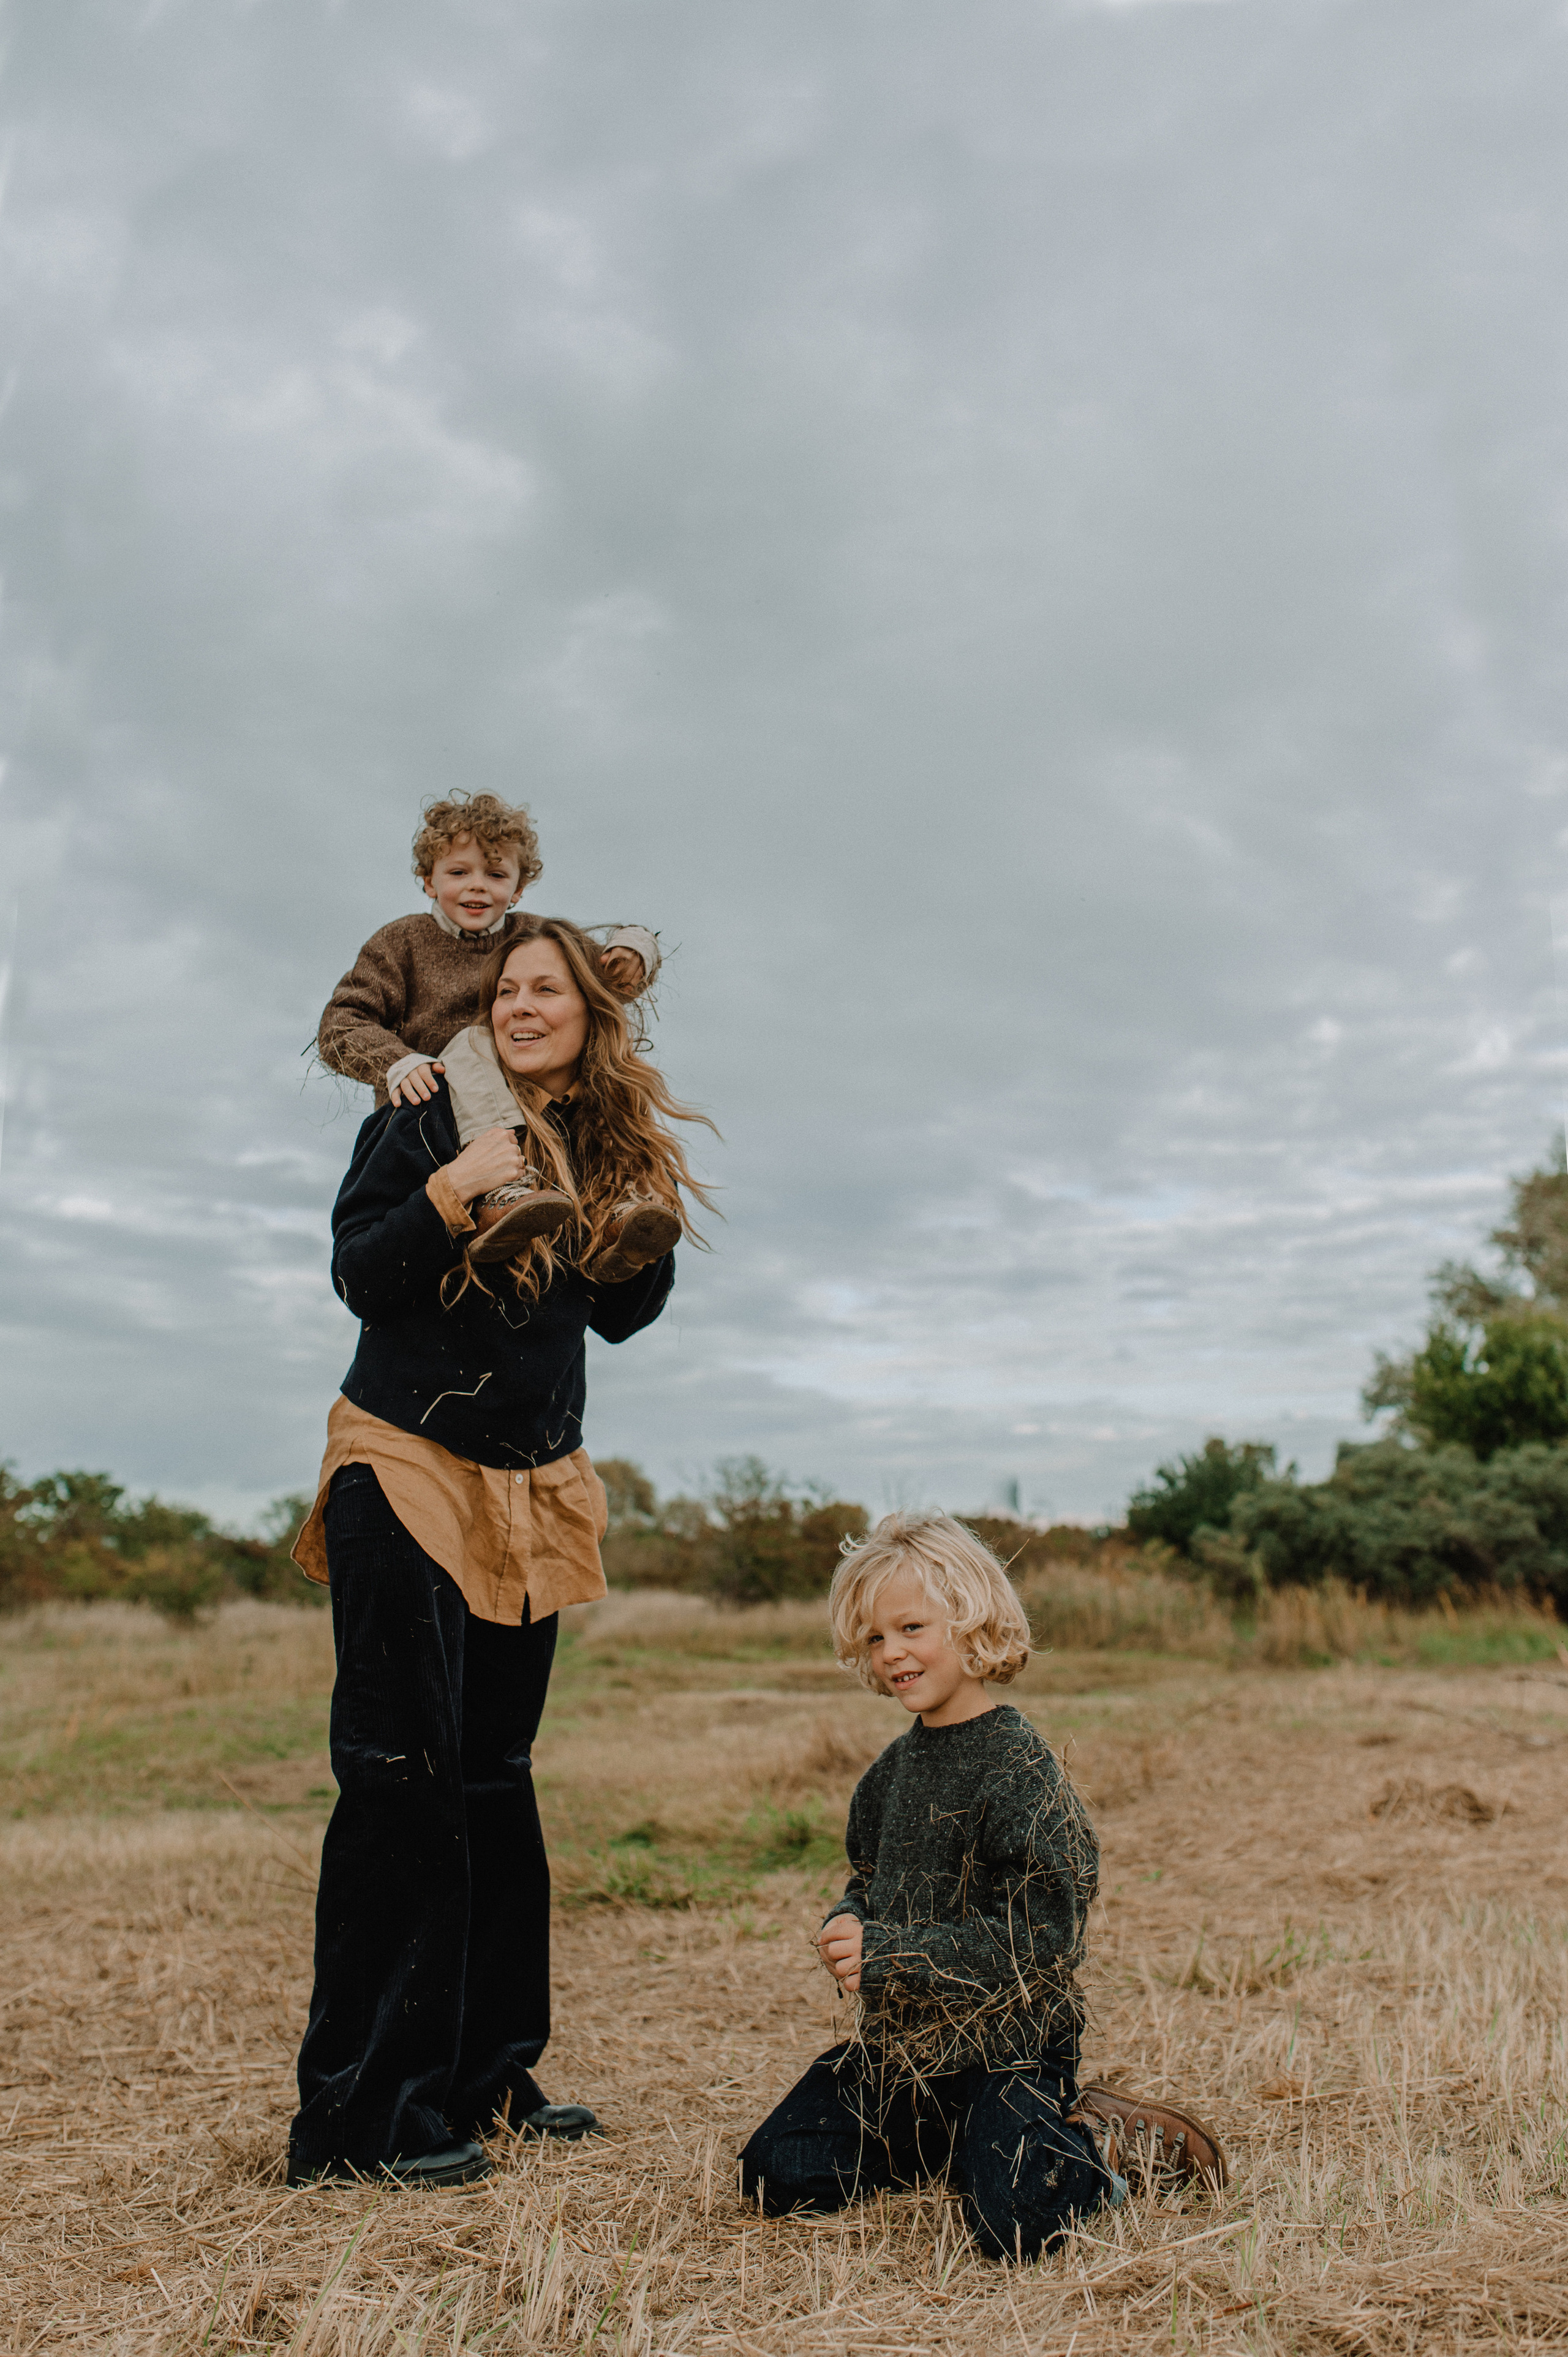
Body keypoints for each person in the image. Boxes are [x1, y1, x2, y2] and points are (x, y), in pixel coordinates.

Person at [286, 915, 715, 2190]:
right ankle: (360, 2122)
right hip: (405, 1465)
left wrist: (643, 1232)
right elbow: (361, 1273)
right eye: (508, 987)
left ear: (591, 1010)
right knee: (401, 1780)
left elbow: (624, 1318)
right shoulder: (425, 1108)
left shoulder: (598, 1135)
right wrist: (447, 1193)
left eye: (549, 989)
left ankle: (483, 2080)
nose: (523, 1004)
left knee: (492, 1779)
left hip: (532, 1480)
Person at [739, 1513, 1226, 2260]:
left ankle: (1095, 2144)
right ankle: (965, 2148)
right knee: (778, 2169)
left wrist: (892, 1954)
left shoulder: (1020, 1770)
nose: (892, 1651)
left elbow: (1043, 1940)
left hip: (1012, 2047)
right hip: (906, 2052)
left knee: (1016, 2224)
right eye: (875, 1638)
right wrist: (849, 1919)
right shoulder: (886, 1778)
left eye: (910, 1626)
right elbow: (869, 1880)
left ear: (971, 1624)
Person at [316, 789, 665, 1265]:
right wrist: (398, 1062)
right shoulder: (402, 942)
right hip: (430, 1114)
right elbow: (340, 1024)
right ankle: (503, 1190)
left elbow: (600, 973)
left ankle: (620, 1219)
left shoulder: (531, 936)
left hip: (529, 1106)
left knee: (605, 1069)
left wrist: (634, 949)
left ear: (519, 888)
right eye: (458, 872)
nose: (477, 887)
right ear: (428, 881)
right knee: (478, 1040)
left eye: (496, 874)